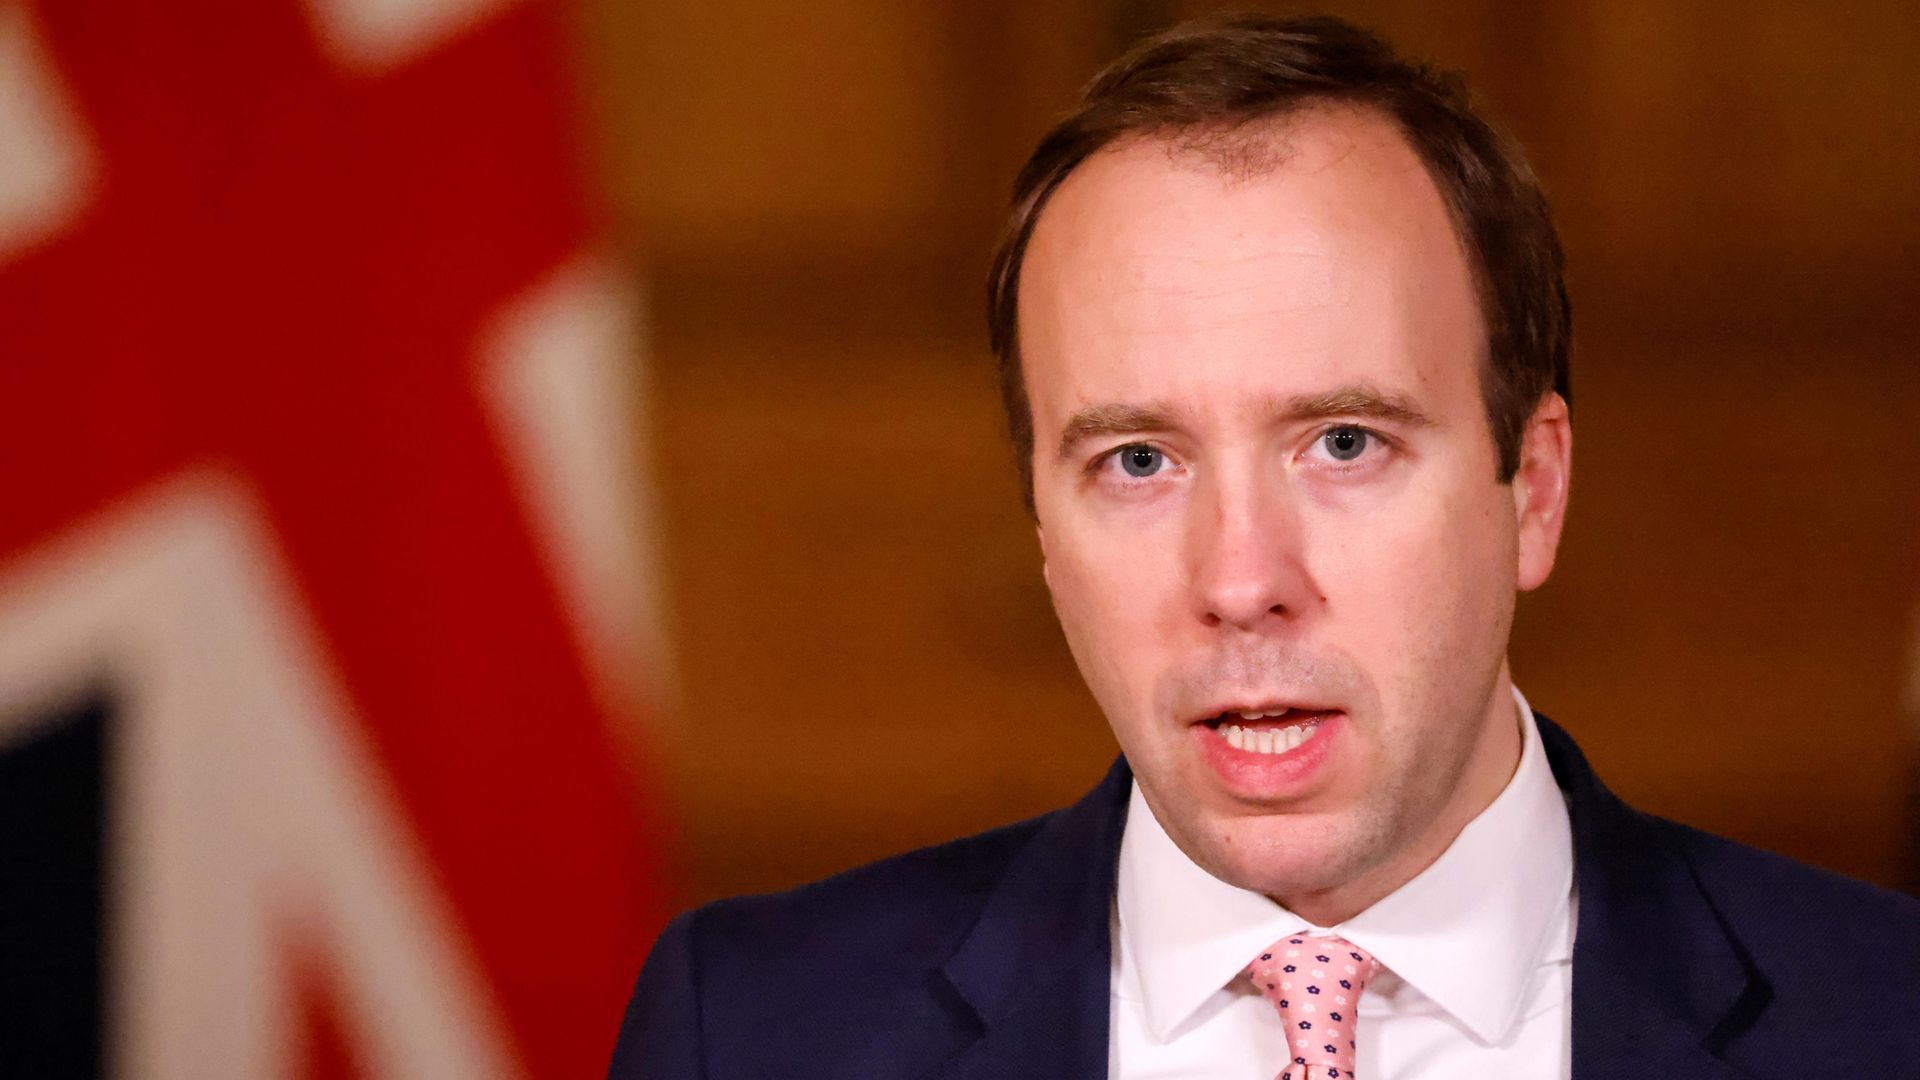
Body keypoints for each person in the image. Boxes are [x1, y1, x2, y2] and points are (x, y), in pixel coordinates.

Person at [608, 12, 1920, 1079]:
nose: (1240, 582)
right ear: (1043, 536)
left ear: (1534, 492)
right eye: (1138, 462)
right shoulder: (755, 1032)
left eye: (1344, 444)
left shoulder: (1881, 1020)